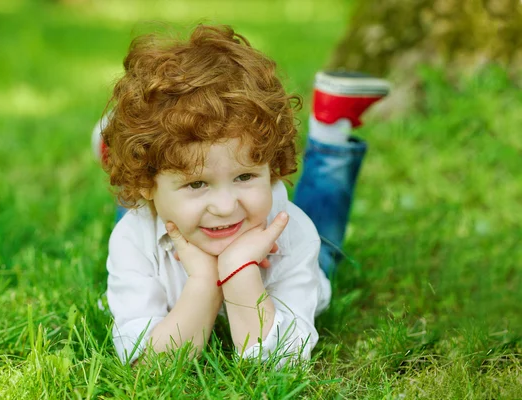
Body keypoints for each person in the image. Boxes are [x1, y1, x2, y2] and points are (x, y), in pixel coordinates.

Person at [91, 24, 389, 365]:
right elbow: (148, 362)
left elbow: (279, 364)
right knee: (140, 203)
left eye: (245, 175)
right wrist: (204, 283)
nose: (225, 206)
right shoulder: (133, 239)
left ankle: (331, 128)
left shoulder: (294, 235)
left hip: (278, 235)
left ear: (271, 169)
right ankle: (125, 145)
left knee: (324, 247)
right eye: (197, 184)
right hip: (155, 207)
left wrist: (238, 271)